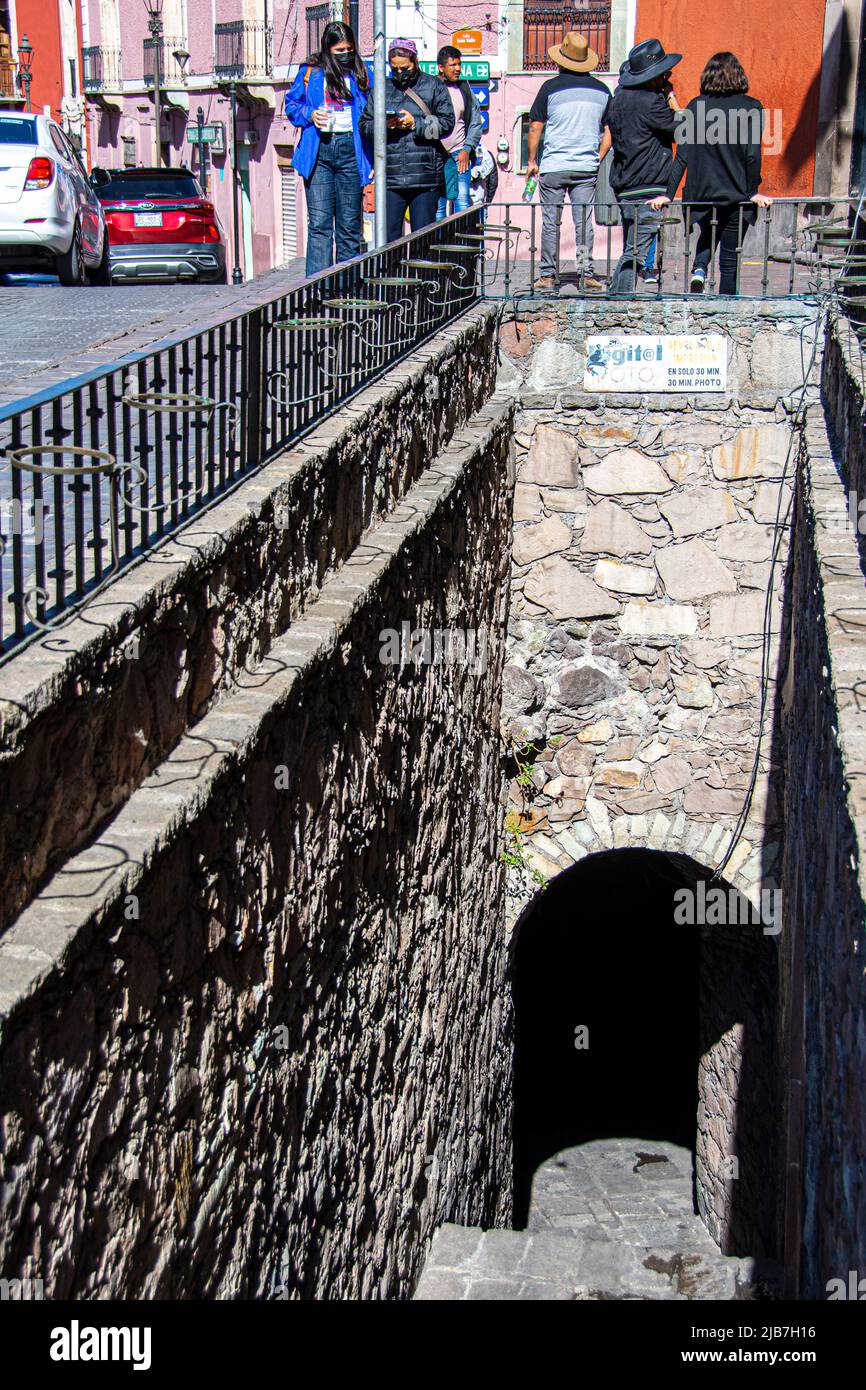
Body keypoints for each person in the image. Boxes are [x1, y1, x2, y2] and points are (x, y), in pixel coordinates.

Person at [649, 52, 772, 294]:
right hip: (736, 194)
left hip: (702, 192)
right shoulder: (752, 107)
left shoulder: (696, 106)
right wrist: (752, 191)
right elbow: (752, 155)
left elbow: (682, 154)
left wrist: (668, 194)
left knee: (708, 232)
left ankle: (699, 269)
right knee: (729, 261)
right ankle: (726, 311)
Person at [526, 31, 612, 292]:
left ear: (561, 60)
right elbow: (610, 132)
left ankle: (548, 277)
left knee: (551, 221)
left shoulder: (549, 88)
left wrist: (532, 160)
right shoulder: (602, 90)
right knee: (584, 223)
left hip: (553, 167)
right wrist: (596, 158)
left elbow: (535, 126)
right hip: (585, 168)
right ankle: (586, 274)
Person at [285, 22, 372, 277]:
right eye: (339, 50)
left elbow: (374, 106)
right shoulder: (311, 71)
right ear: (328, 49)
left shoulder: (362, 71)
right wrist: (310, 114)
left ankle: (346, 289)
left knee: (349, 226)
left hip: (351, 149)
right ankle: (317, 291)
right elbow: (292, 105)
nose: (345, 54)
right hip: (320, 150)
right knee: (320, 225)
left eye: (349, 49)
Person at [359, 38, 455, 241]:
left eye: (405, 68)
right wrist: (385, 125)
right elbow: (364, 126)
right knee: (389, 242)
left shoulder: (434, 85)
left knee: (422, 240)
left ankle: (422, 274)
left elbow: (447, 124)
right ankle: (391, 273)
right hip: (390, 177)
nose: (400, 73)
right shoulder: (381, 88)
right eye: (395, 69)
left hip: (425, 176)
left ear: (416, 62)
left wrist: (415, 123)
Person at [607, 38, 681, 293]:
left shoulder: (618, 99)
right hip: (647, 185)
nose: (665, 79)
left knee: (631, 246)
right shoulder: (652, 102)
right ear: (654, 76)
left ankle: (615, 296)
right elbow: (683, 129)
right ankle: (619, 300)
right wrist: (672, 99)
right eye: (664, 75)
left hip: (624, 184)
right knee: (635, 252)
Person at [435, 46, 484, 221]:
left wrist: (467, 149)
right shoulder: (431, 88)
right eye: (452, 65)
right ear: (441, 67)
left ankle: (461, 246)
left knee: (462, 202)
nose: (457, 69)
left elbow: (475, 122)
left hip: (459, 154)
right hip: (437, 156)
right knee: (438, 206)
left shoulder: (465, 89)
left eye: (459, 64)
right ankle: (438, 248)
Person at [469, 143, 499, 208]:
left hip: (459, 201)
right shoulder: (485, 153)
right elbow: (493, 182)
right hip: (479, 199)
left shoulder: (456, 150)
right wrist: (487, 201)